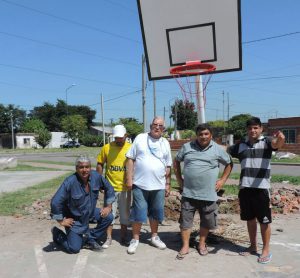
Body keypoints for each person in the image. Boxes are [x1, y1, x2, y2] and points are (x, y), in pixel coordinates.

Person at [228, 117, 285, 264]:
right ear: (247, 130)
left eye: (255, 128)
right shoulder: (241, 146)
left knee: (264, 221)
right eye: (250, 128)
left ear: (261, 129)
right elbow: (226, 150)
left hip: (261, 189)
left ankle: (265, 249)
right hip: (245, 188)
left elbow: (277, 144)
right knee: (250, 219)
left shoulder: (266, 142)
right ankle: (252, 246)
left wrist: (281, 139)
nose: (252, 130)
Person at [174, 124, 233, 260]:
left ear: (211, 135)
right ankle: (185, 246)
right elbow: (176, 161)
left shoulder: (217, 149)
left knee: (206, 221)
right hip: (189, 193)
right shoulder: (187, 147)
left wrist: (222, 181)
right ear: (197, 135)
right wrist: (179, 181)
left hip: (208, 194)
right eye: (201, 134)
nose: (203, 137)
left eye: (206, 134)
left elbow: (229, 163)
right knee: (185, 222)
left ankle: (201, 244)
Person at [125, 116, 172, 254]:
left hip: (159, 185)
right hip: (140, 184)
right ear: (150, 125)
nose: (157, 127)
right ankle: (135, 239)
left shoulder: (165, 143)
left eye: (160, 126)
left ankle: (154, 236)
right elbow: (130, 159)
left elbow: (168, 165)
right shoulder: (140, 138)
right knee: (138, 212)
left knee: (156, 212)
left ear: (163, 129)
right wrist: (129, 178)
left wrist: (168, 183)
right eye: (155, 124)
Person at [50, 155, 115, 254]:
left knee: (109, 216)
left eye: (87, 167)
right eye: (81, 167)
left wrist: (108, 206)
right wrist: (61, 220)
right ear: (76, 168)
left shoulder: (96, 177)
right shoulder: (70, 182)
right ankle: (57, 233)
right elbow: (55, 201)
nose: (84, 170)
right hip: (75, 218)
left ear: (90, 167)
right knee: (74, 249)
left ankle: (89, 237)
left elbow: (109, 188)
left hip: (90, 212)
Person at [96, 125, 132, 248]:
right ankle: (108, 238)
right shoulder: (106, 148)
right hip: (110, 188)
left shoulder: (131, 148)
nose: (118, 140)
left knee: (125, 215)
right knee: (108, 214)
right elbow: (100, 164)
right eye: (116, 137)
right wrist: (99, 181)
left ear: (125, 136)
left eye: (121, 138)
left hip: (125, 188)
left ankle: (123, 237)